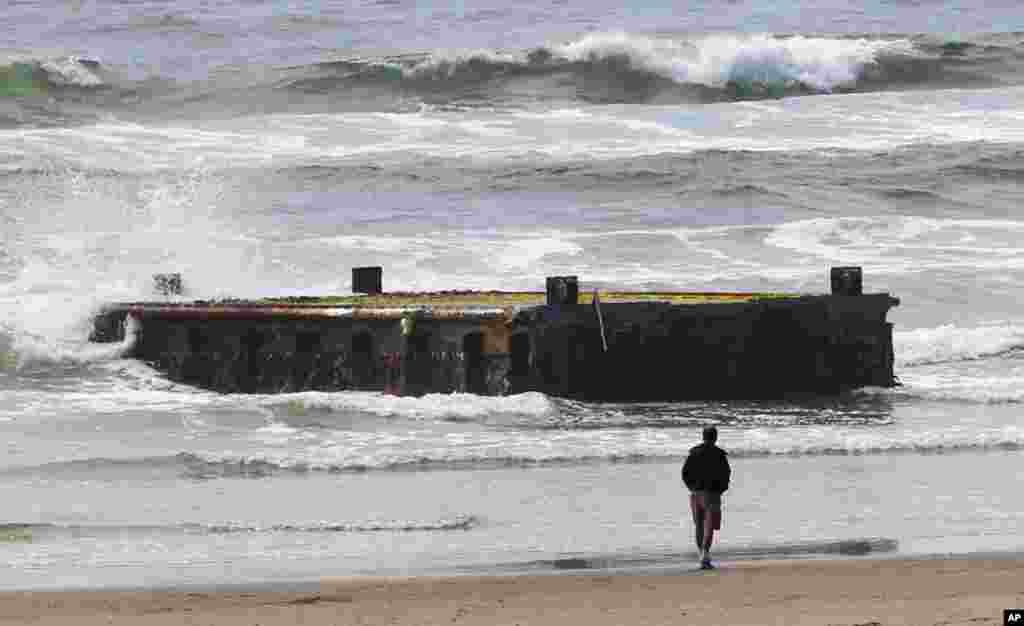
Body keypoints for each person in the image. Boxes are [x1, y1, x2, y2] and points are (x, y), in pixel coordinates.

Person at [681, 425, 731, 569]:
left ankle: (702, 554)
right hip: (712, 494)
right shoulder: (719, 454)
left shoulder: (694, 453)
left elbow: (685, 473)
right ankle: (705, 554)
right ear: (715, 437)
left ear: (703, 436)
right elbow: (726, 474)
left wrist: (691, 488)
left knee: (699, 525)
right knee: (709, 525)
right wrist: (721, 489)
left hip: (696, 493)